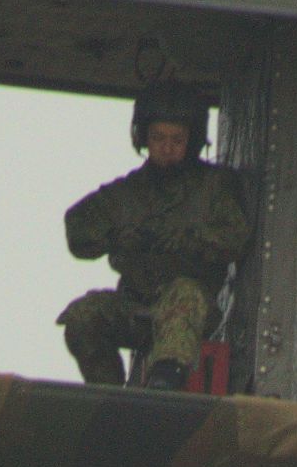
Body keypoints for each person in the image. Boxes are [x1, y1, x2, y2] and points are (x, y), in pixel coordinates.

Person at [59, 80, 251, 390]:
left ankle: (165, 380)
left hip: (191, 312)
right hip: (135, 306)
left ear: (193, 141)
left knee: (184, 293)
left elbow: (236, 237)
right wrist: (117, 236)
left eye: (177, 139)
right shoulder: (126, 193)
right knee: (84, 315)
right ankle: (107, 395)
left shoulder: (214, 186)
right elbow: (78, 226)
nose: (167, 148)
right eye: (158, 138)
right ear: (143, 138)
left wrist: (191, 240)